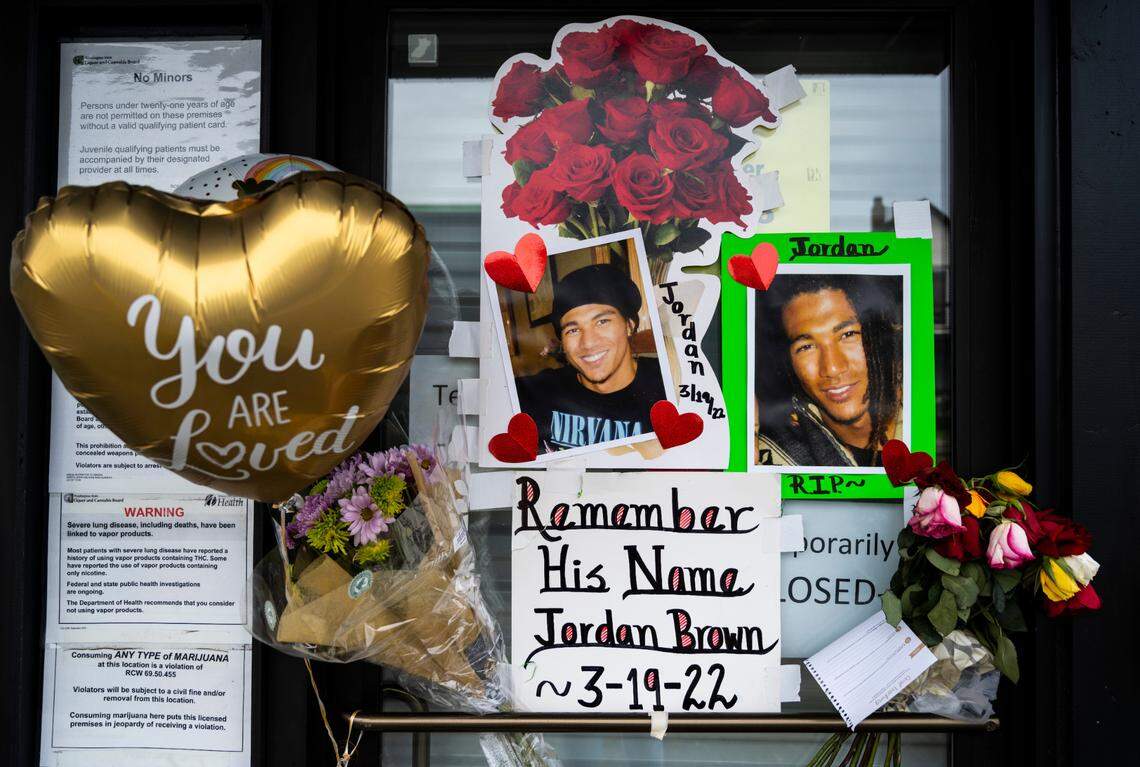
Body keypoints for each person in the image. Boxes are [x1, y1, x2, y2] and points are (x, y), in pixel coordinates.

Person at [515, 263, 667, 453]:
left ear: (629, 325)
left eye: (602, 322)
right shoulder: (537, 393)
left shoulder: (669, 384)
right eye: (573, 330)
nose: (588, 343)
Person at [755, 274, 903, 467]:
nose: (832, 368)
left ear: (881, 335)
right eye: (806, 347)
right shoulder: (774, 456)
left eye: (848, 335)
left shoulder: (925, 422)